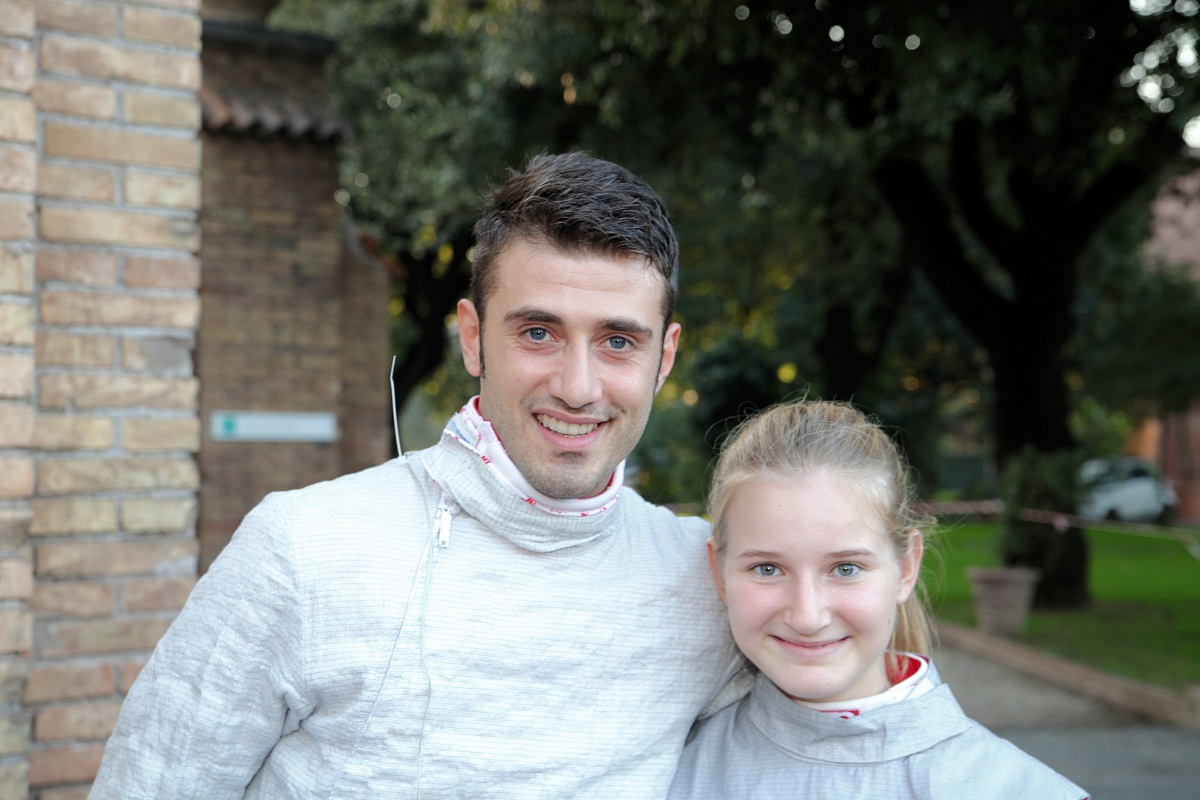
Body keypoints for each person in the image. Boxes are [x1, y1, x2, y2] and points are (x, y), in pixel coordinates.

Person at [90, 153, 744, 799]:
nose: (577, 387)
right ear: (472, 338)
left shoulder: (709, 581)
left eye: (619, 342)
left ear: (665, 358)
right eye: (539, 332)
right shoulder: (302, 550)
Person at [669, 400, 1089, 800]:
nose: (808, 616)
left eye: (846, 568)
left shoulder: (1015, 789)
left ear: (906, 567)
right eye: (767, 569)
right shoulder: (663, 773)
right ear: (718, 572)